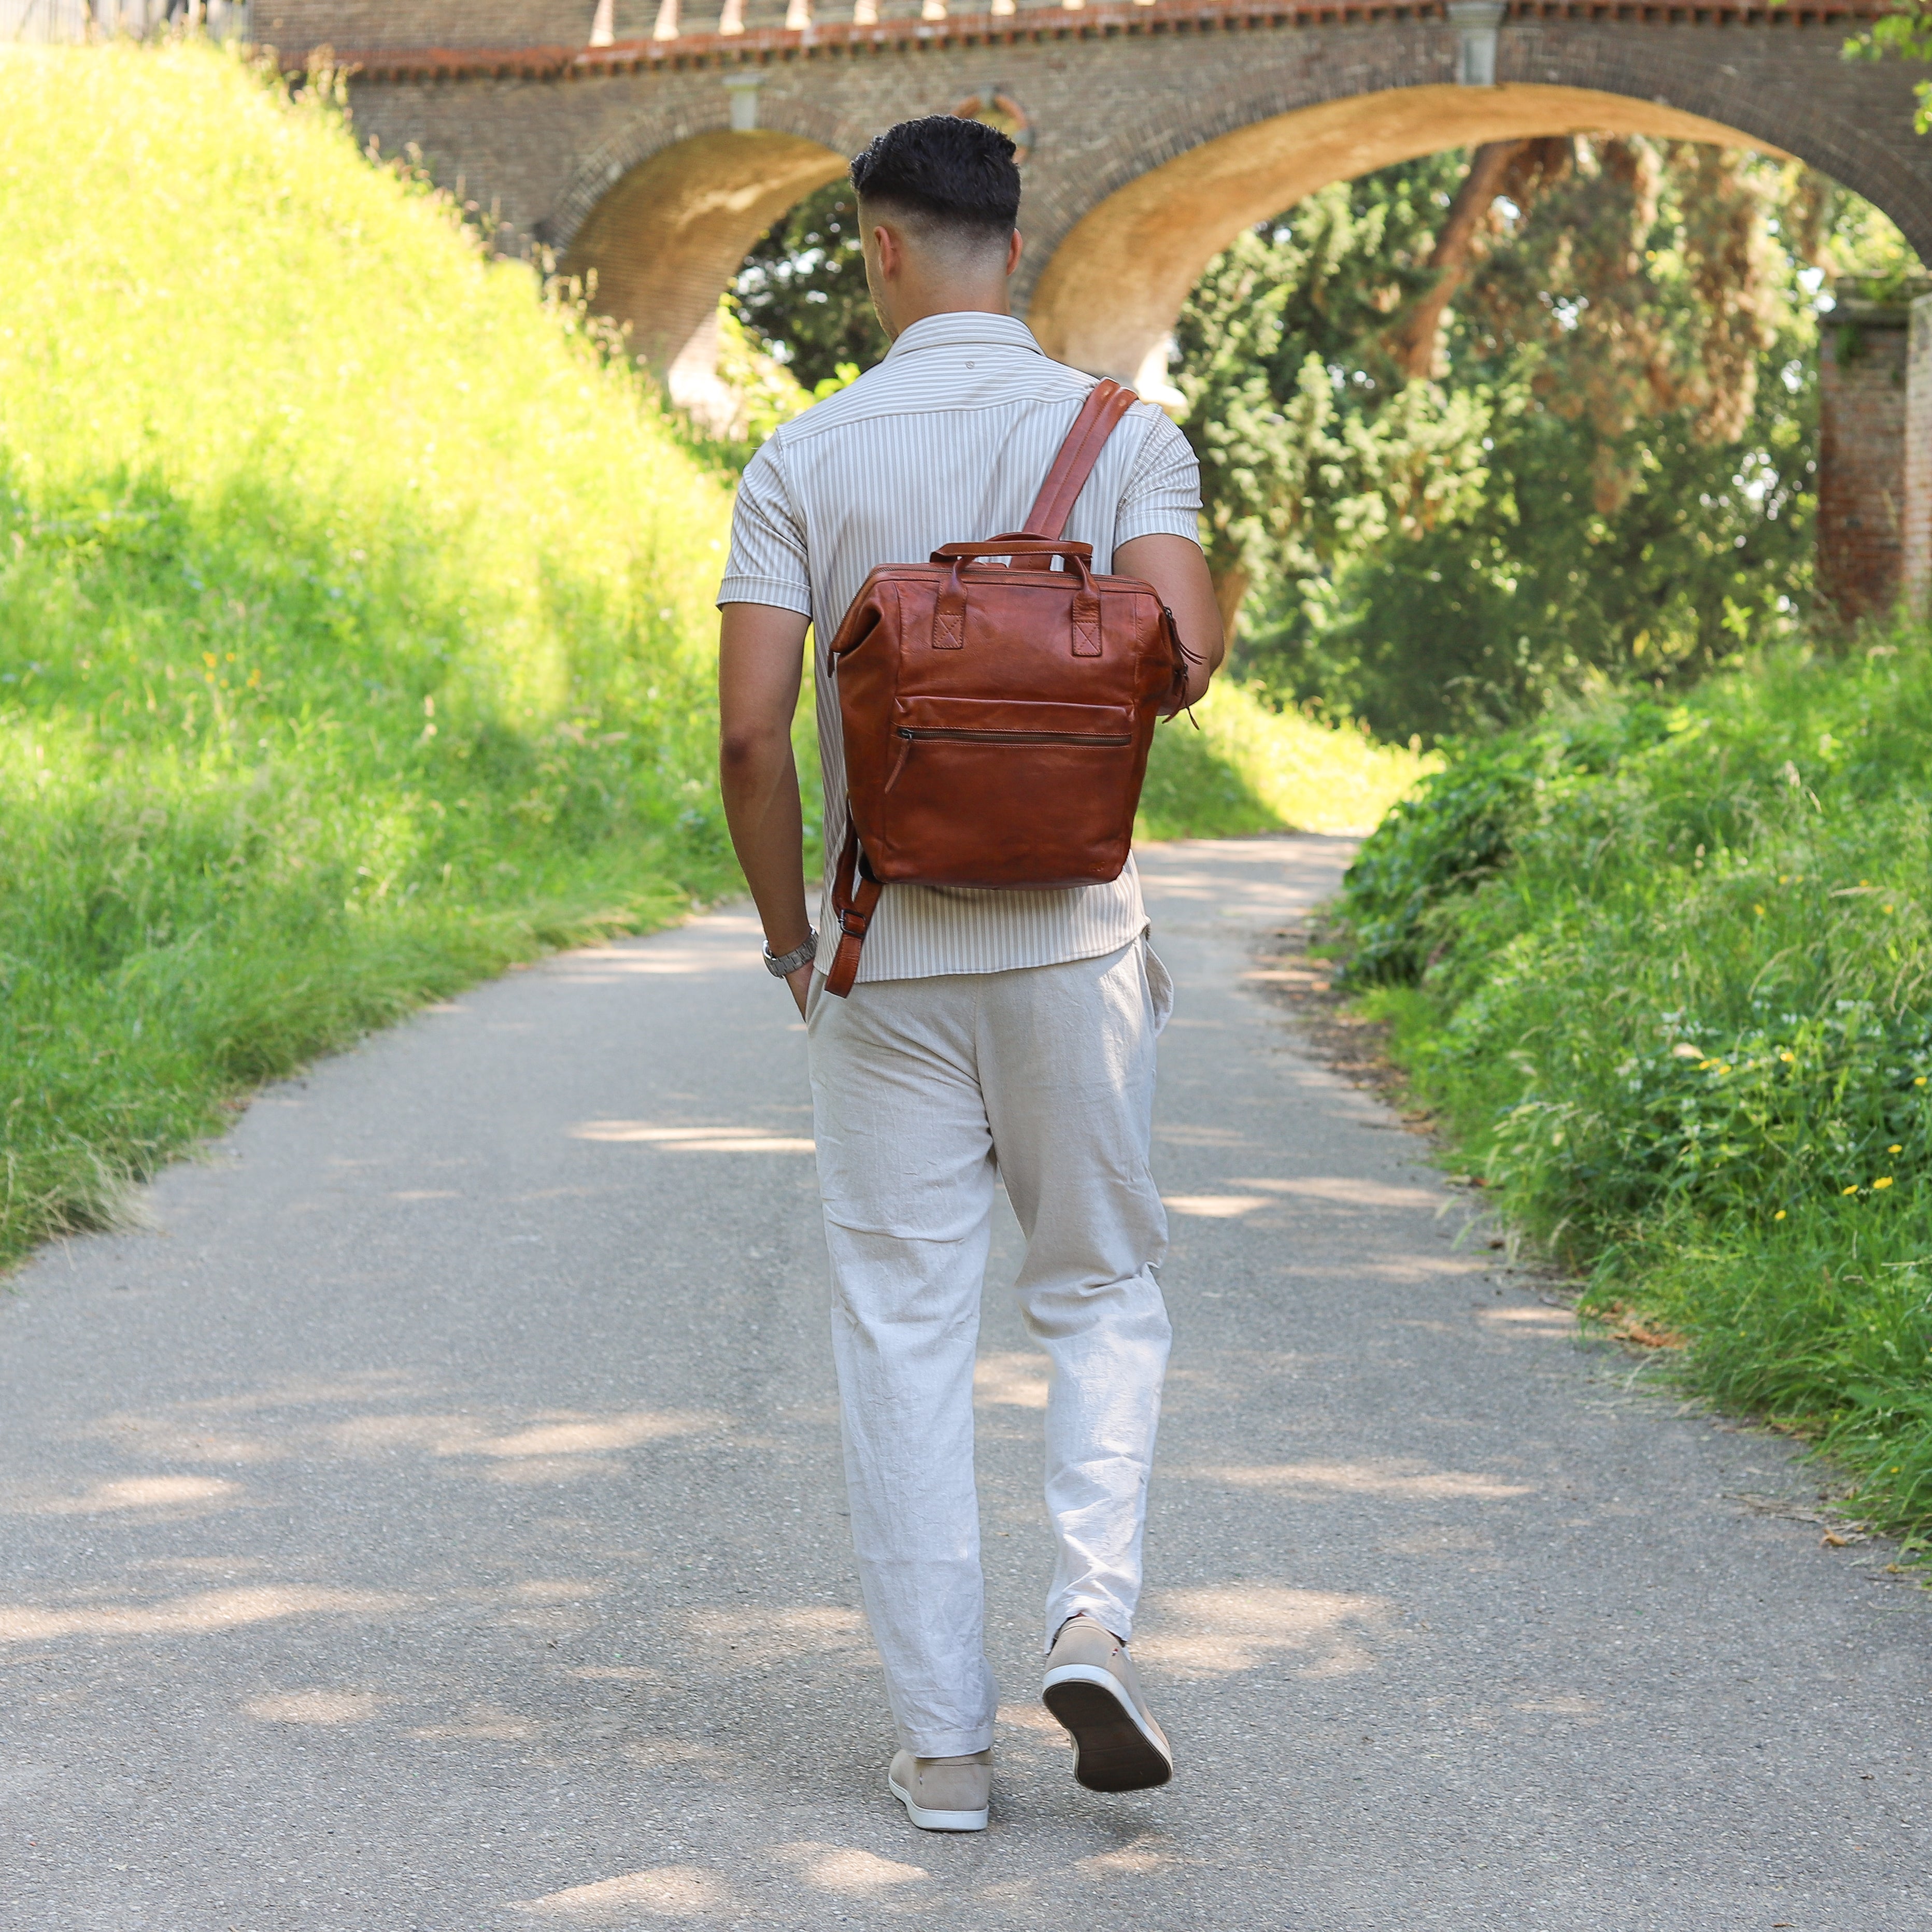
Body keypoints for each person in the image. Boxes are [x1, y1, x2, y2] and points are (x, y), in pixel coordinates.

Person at [715, 112, 1224, 1832]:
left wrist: (794, 943)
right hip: (1081, 938)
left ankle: (944, 1754)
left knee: (904, 1334)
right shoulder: (1127, 439)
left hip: (883, 946)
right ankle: (1089, 1615)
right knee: (1097, 1291)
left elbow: (746, 738)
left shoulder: (804, 457)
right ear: (1017, 244)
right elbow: (1190, 657)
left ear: (877, 248)